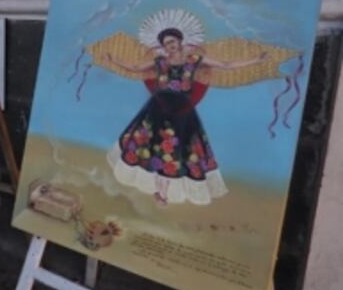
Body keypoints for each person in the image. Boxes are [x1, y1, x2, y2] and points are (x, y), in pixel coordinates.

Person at [102, 22, 271, 206]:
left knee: (175, 150)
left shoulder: (194, 59)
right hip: (158, 109)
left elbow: (226, 64)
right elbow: (136, 67)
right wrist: (113, 60)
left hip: (181, 112)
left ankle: (163, 194)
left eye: (172, 41)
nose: (170, 46)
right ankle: (159, 191)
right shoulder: (160, 61)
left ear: (180, 40)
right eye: (166, 44)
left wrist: (256, 60)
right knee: (152, 147)